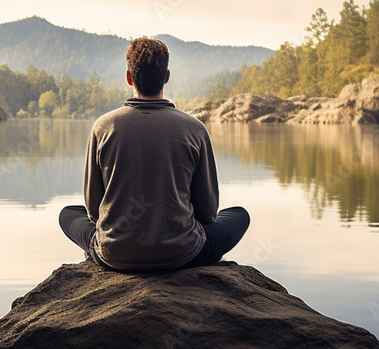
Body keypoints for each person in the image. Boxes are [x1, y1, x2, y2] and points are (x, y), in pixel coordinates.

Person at [59, 36, 250, 272]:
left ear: (129, 77)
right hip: (182, 254)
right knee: (238, 215)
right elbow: (208, 213)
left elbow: (93, 210)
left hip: (115, 254)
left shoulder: (103, 126)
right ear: (166, 77)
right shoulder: (194, 129)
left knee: (68, 214)